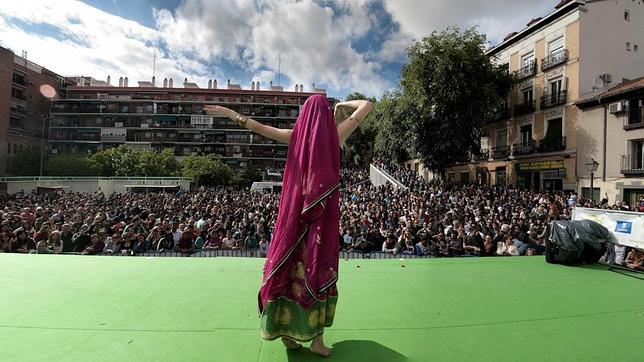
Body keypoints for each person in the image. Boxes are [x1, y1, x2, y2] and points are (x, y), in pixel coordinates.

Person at [205, 94, 372, 356]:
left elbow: (256, 127)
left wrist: (228, 113)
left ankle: (287, 337)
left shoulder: (294, 136)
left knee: (288, 271)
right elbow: (367, 106)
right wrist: (341, 106)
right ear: (326, 116)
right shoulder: (336, 135)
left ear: (304, 116)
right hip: (320, 222)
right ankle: (316, 340)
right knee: (315, 271)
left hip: (295, 221)